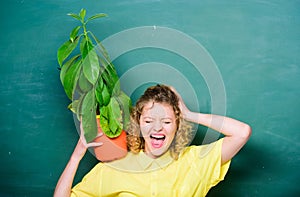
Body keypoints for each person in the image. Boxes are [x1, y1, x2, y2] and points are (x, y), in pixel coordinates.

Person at [54, 84, 251, 197]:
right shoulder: (116, 166)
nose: (157, 128)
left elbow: (241, 132)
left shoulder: (195, 161)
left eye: (166, 121)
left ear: (177, 125)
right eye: (149, 120)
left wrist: (189, 114)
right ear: (139, 124)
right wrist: (76, 156)